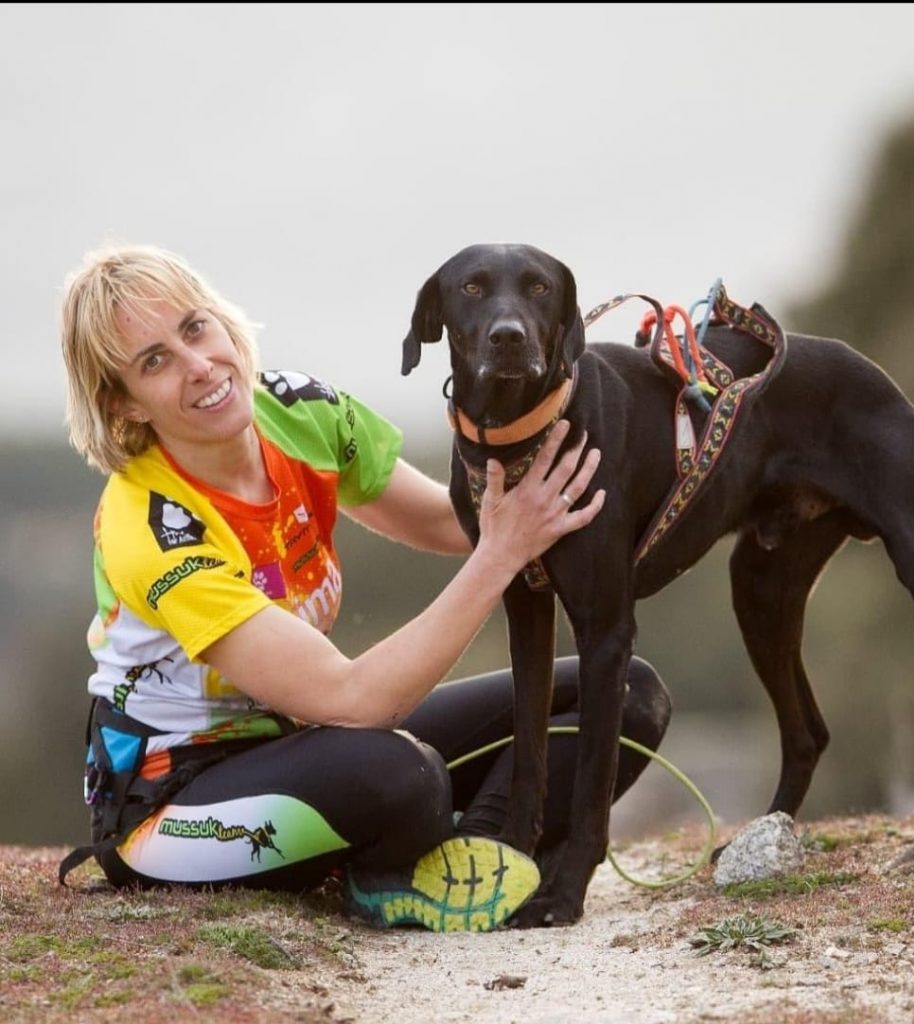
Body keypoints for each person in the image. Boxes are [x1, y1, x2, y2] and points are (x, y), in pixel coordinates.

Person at [57, 245, 673, 932]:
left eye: (195, 328)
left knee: (628, 694)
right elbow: (355, 699)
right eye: (155, 362)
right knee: (400, 776)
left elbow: (454, 518)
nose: (198, 365)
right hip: (176, 800)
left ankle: (480, 853)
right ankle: (391, 857)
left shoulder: (296, 410)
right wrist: (503, 552)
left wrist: (559, 483)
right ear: (123, 403)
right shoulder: (149, 525)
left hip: (306, 743)